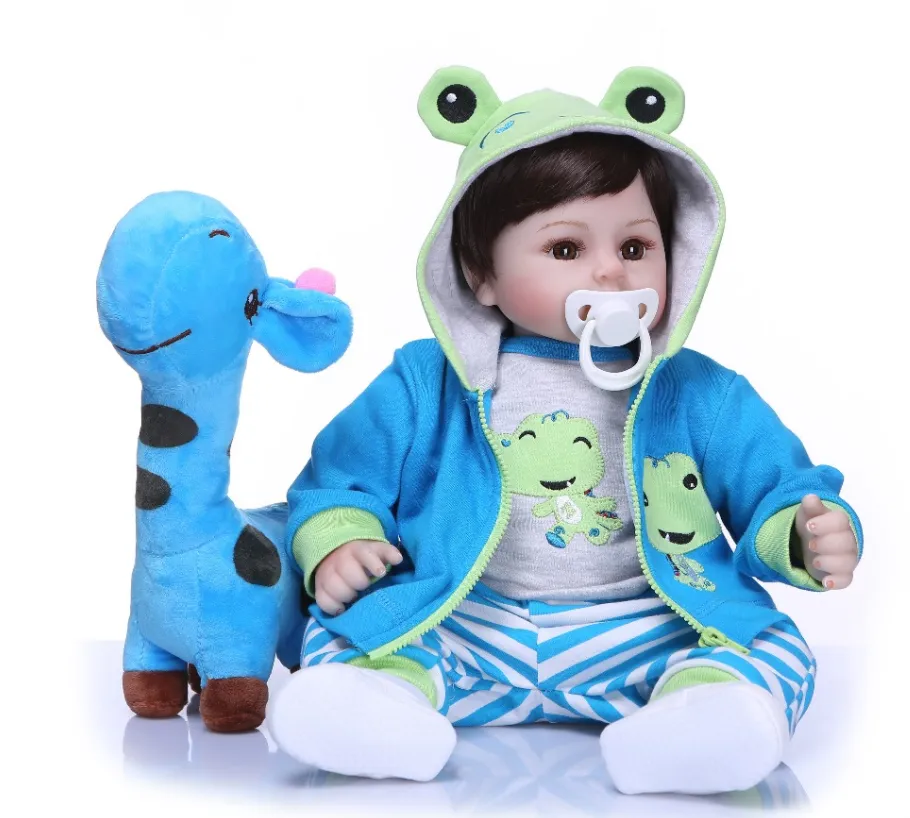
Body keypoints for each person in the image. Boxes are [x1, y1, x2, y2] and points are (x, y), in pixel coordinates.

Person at [266, 66, 862, 795]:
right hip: (467, 622)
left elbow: (776, 483)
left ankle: (702, 720)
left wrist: (800, 532)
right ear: (479, 273)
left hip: (643, 630)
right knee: (345, 636)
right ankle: (375, 710)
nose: (610, 273)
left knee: (772, 649)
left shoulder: (698, 390)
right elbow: (340, 477)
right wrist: (340, 541)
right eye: (566, 249)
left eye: (635, 248)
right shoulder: (429, 381)